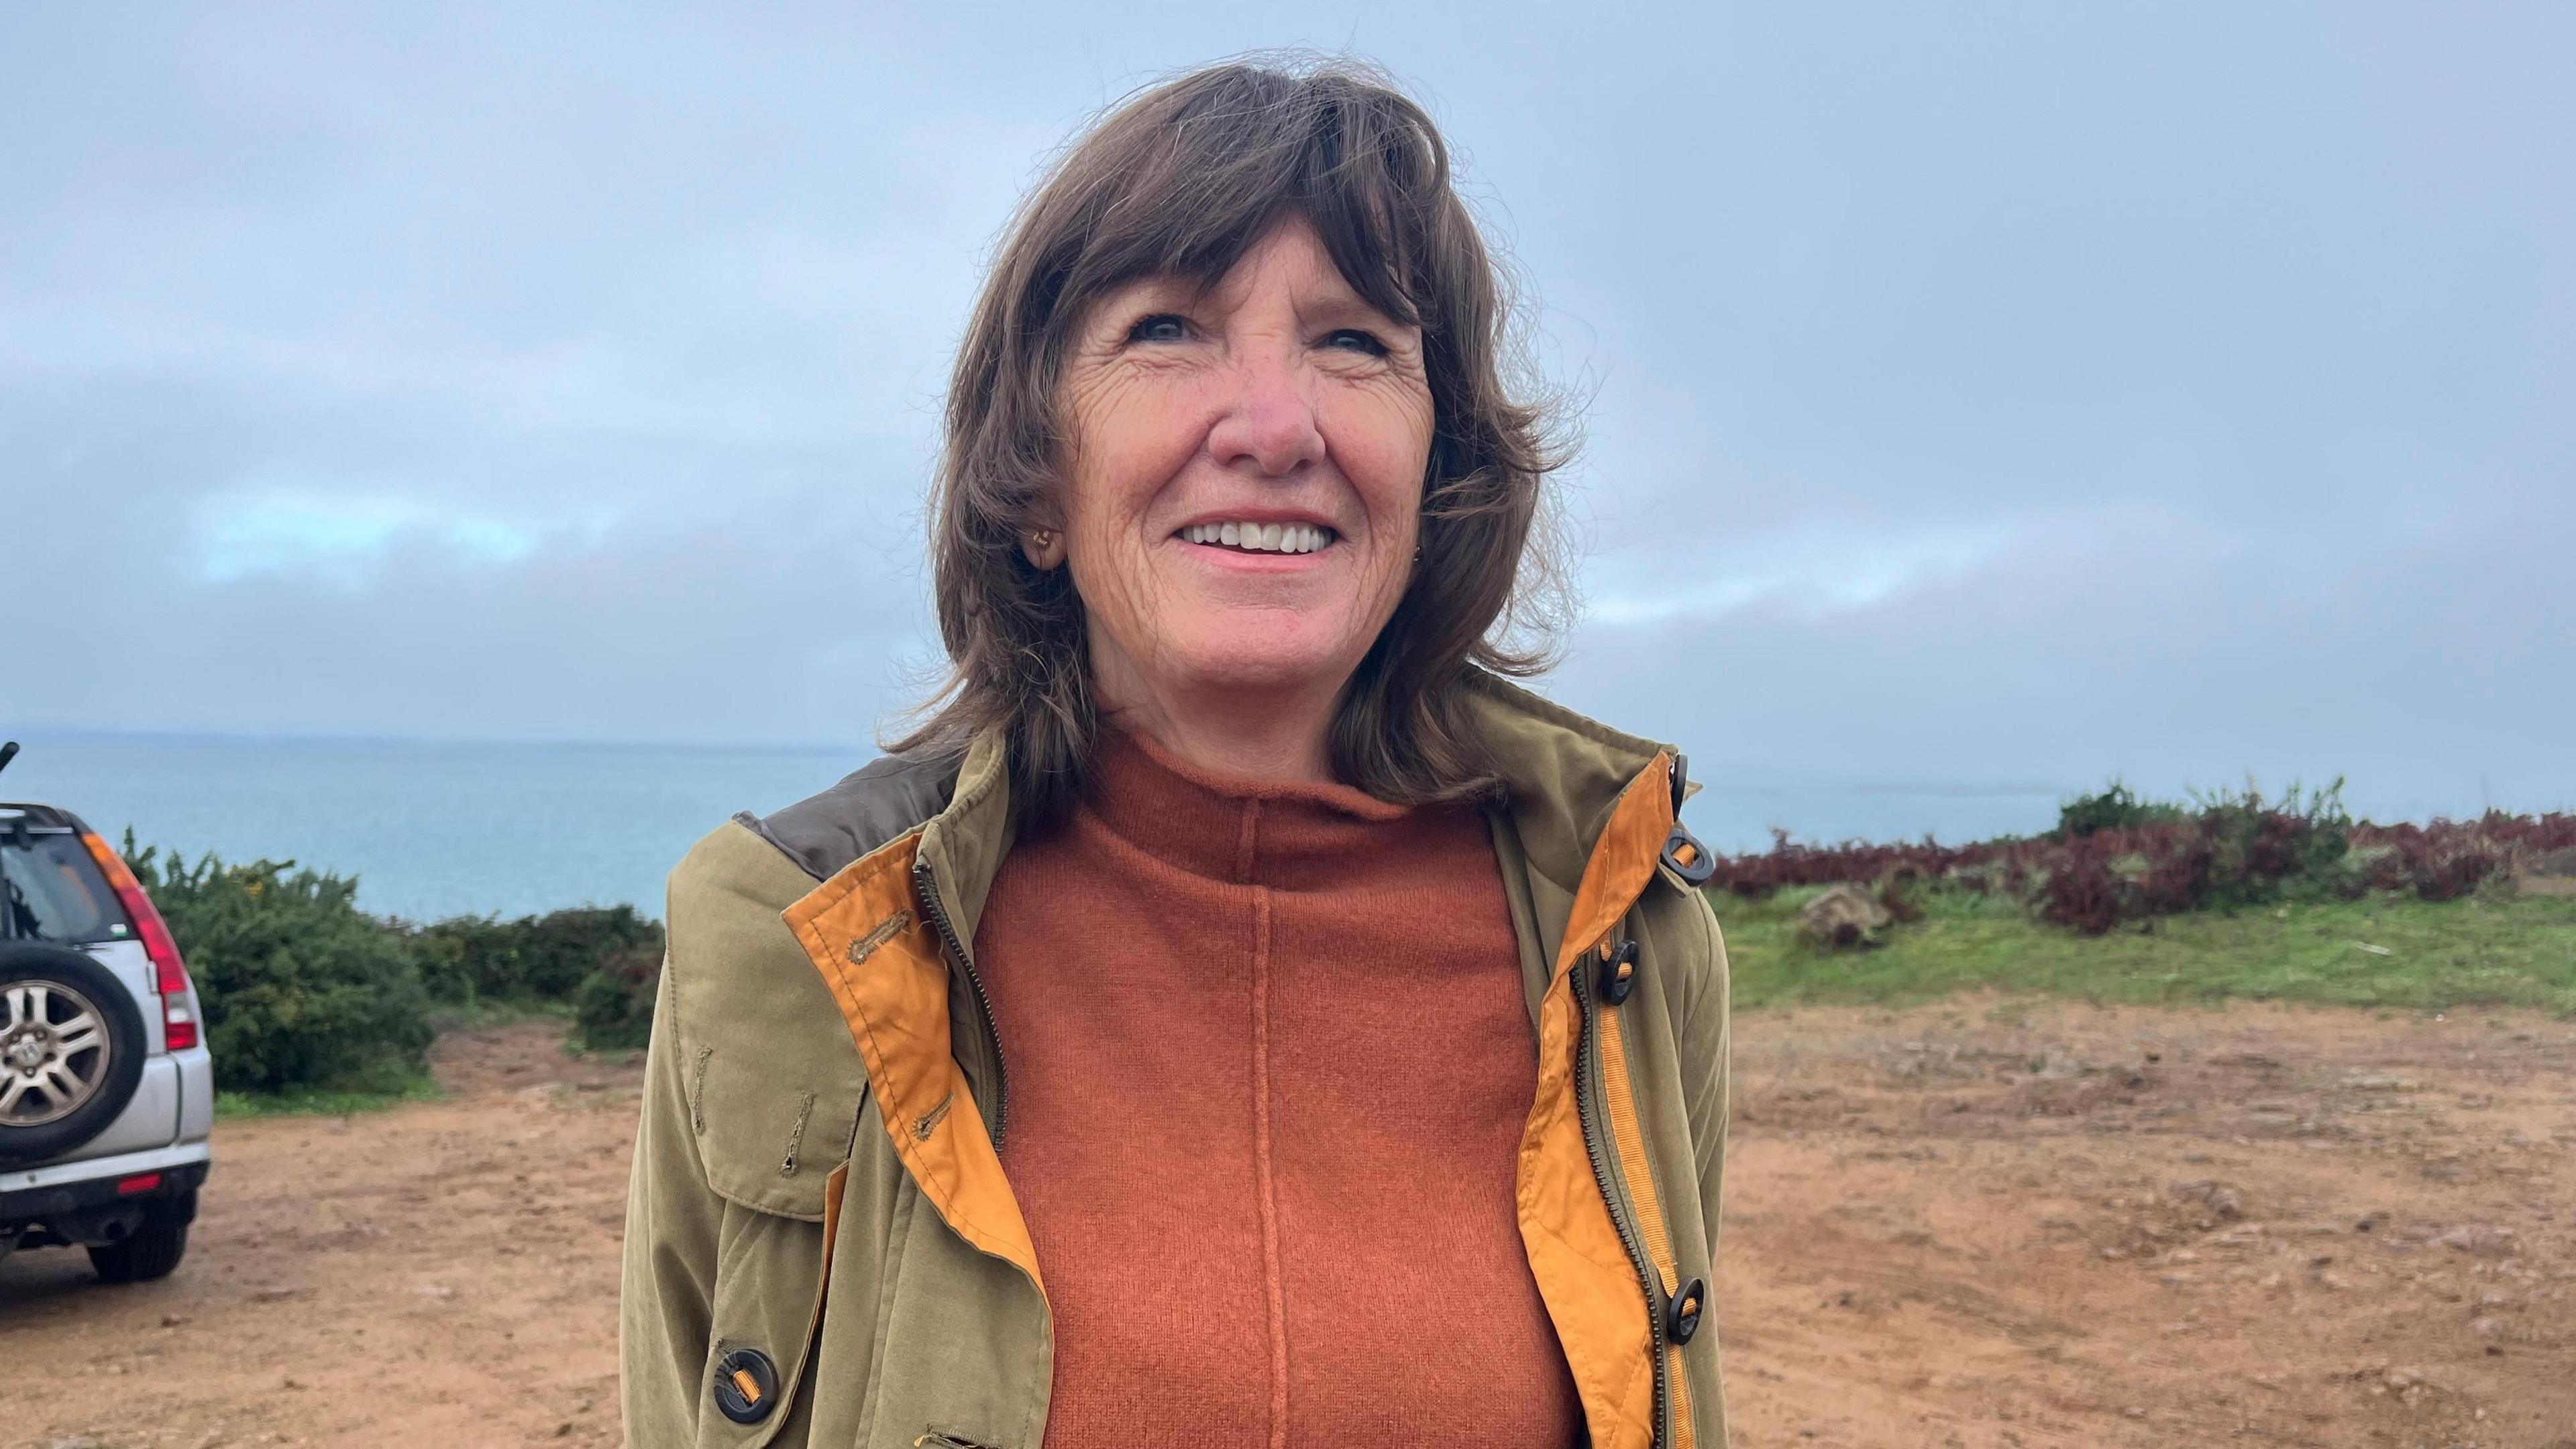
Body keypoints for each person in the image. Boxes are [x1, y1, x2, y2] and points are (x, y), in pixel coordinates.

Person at [620, 56, 1731, 1449]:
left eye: (1353, 343)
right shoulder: (792, 935)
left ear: (1440, 472)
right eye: (1166, 332)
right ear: (1035, 482)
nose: (1274, 427)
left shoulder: (1624, 933)